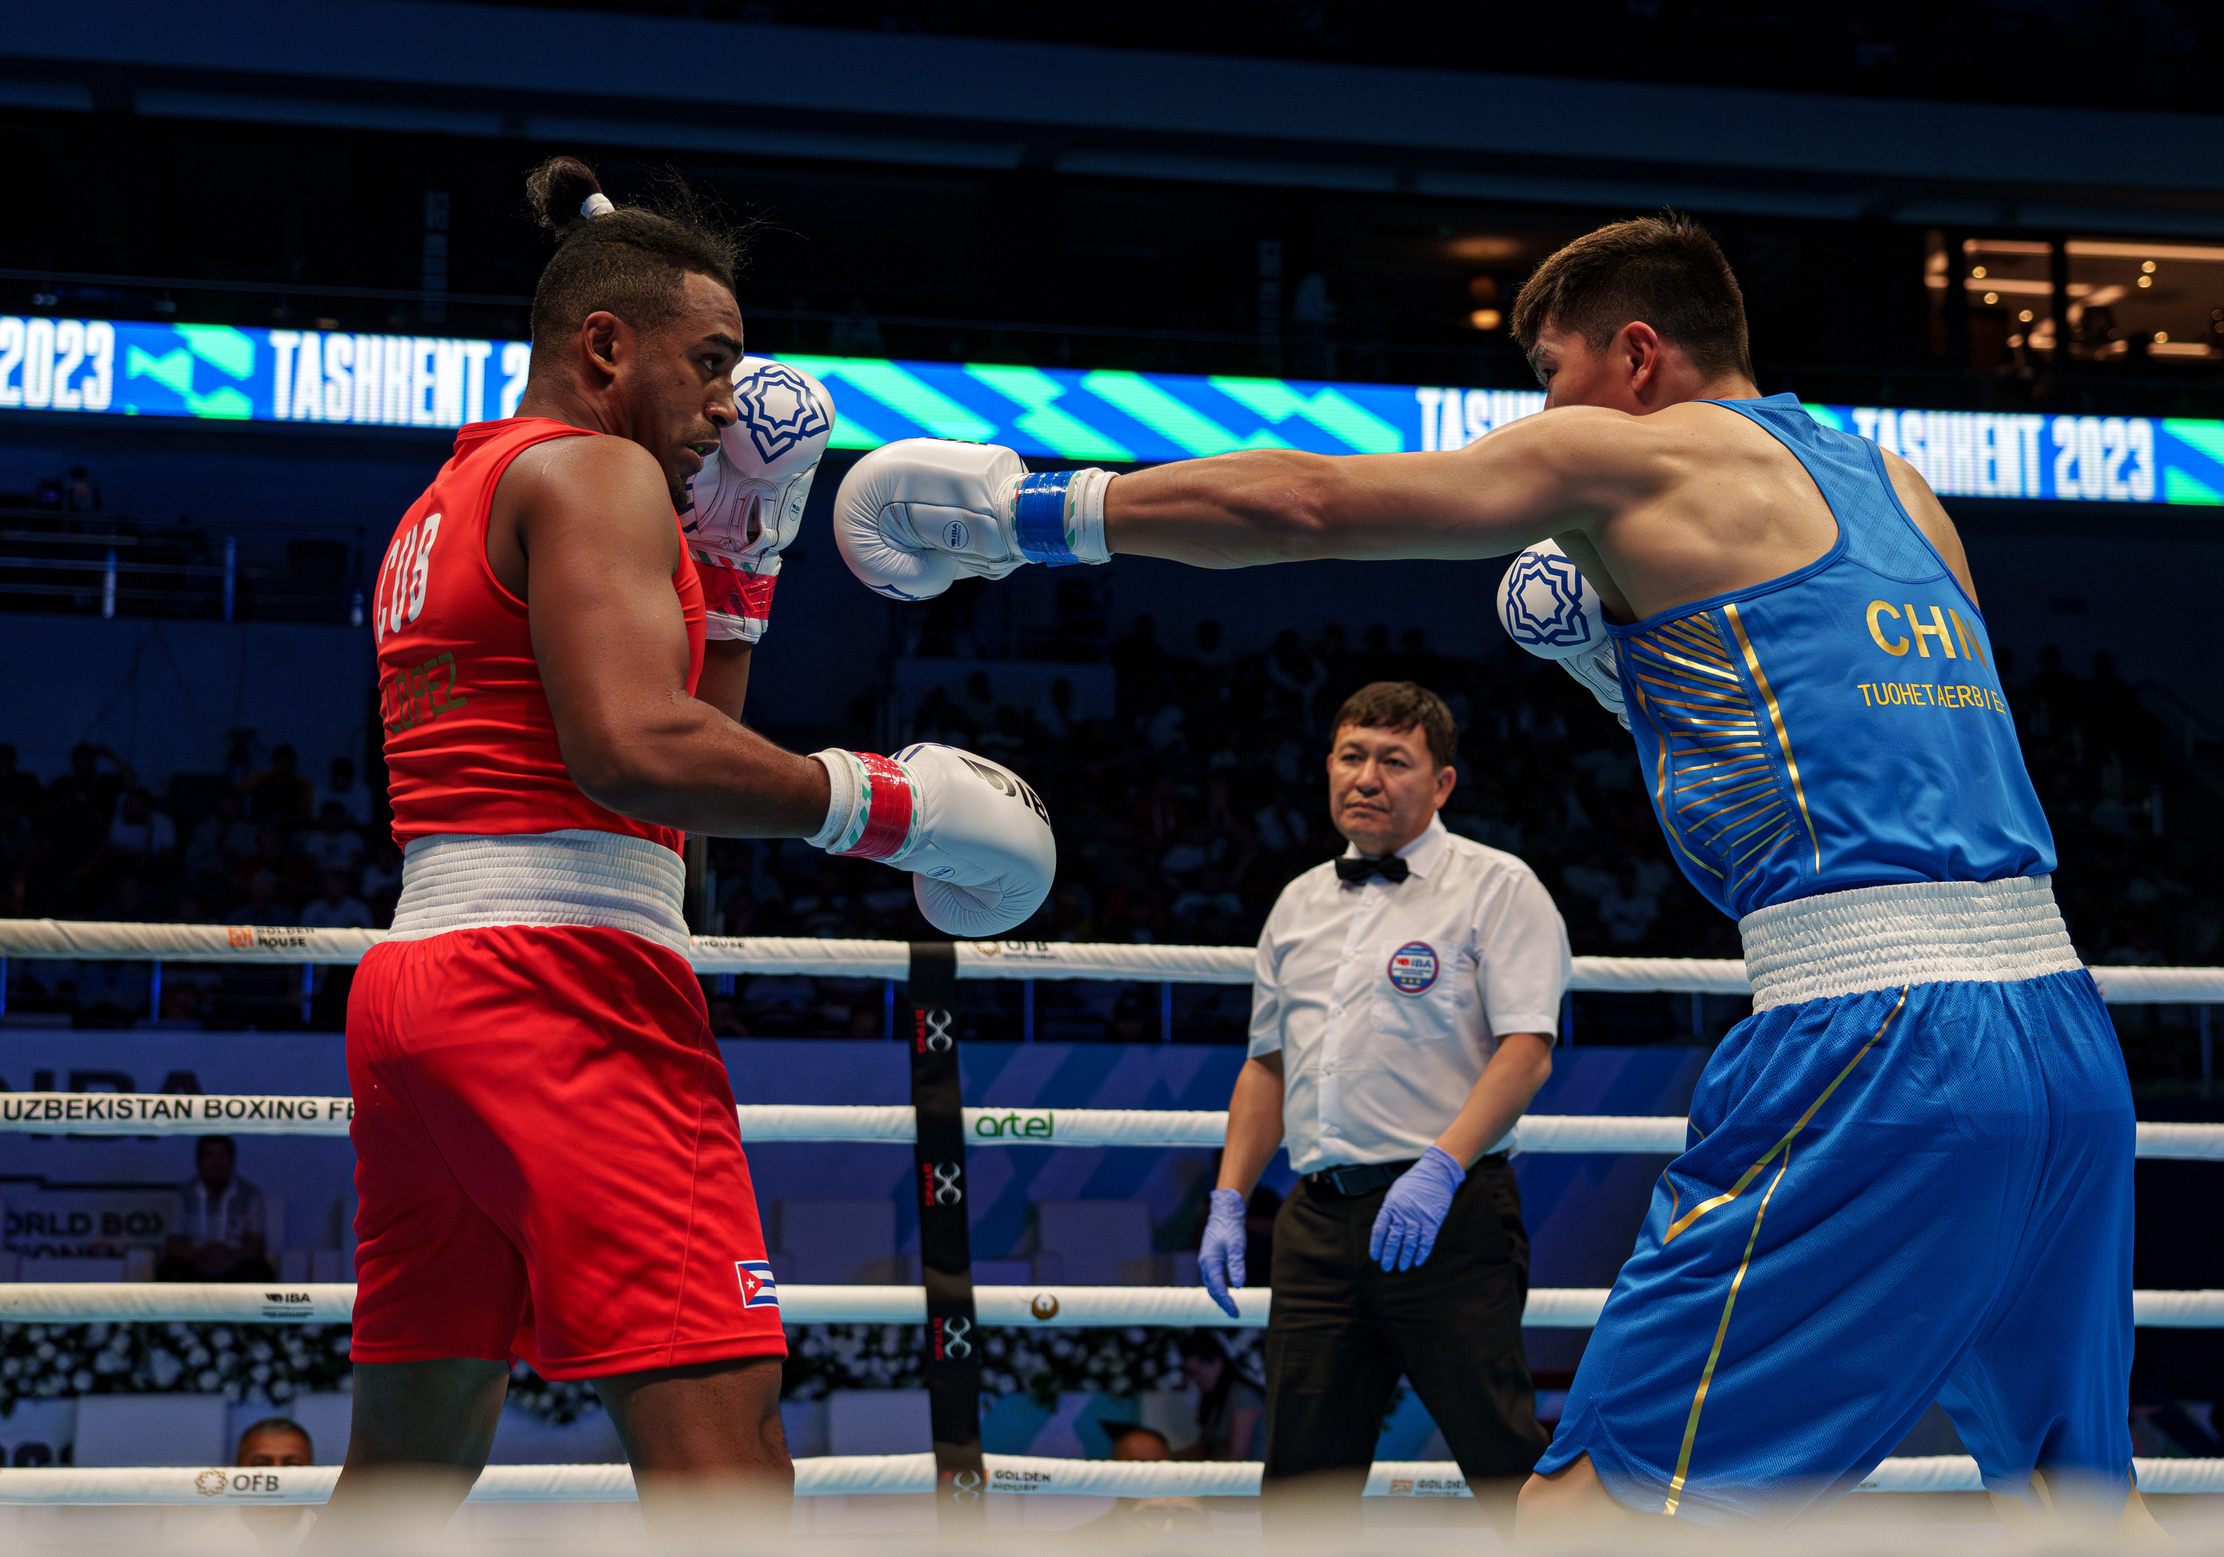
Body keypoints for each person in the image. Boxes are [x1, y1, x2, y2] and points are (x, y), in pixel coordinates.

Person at [832, 212, 2143, 1531]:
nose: (1543, 416)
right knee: (2072, 1500)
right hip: (2063, 1032)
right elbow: (1868, 759)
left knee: (1585, 1509)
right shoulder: (1898, 484)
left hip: (1880, 1041)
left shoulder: (1631, 455)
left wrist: (1029, 512)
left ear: (1636, 354)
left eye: (1553, 378)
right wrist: (1623, 674)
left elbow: (1310, 504)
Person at [321, 156, 1054, 1541]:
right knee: (725, 1446)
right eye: (710, 361)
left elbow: (662, 795)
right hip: (563, 984)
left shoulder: (451, 496)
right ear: (605, 345)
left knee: (409, 1463)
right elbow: (632, 752)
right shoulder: (596, 470)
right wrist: (877, 801)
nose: (729, 399)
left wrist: (742, 575)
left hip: (425, 985)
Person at [1193, 680, 1558, 1528]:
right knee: (1300, 1490)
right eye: (1353, 755)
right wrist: (1229, 1196)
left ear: (1441, 784)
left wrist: (1440, 1166)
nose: (1368, 776)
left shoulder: (1497, 886)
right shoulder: (1297, 903)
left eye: (1396, 760)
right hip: (1317, 1228)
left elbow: (1528, 1049)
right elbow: (1267, 1068)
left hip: (1449, 1214)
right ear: (1327, 766)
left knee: (1503, 1459)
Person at [161, 1135, 276, 1282]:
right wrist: (201, 1254)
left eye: (223, 1155)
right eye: (210, 1155)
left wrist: (230, 1256)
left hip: (235, 1264)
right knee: (169, 1269)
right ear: (199, 1161)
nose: (217, 1163)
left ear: (233, 1161)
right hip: (196, 1263)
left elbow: (257, 1244)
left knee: (261, 1271)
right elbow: (173, 1244)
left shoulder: (250, 1194)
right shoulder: (183, 1195)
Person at [232, 1417, 317, 1554]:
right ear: (236, 1471)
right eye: (260, 1465)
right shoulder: (195, 1544)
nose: (275, 1480)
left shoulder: (345, 1548)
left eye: (292, 1465)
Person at [1177, 1333, 1264, 1463]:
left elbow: (1236, 1456)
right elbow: (1204, 1448)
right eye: (1190, 1374)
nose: (1194, 1380)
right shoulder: (1213, 1398)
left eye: (1197, 1373)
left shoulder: (1242, 1396)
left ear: (1217, 1364)